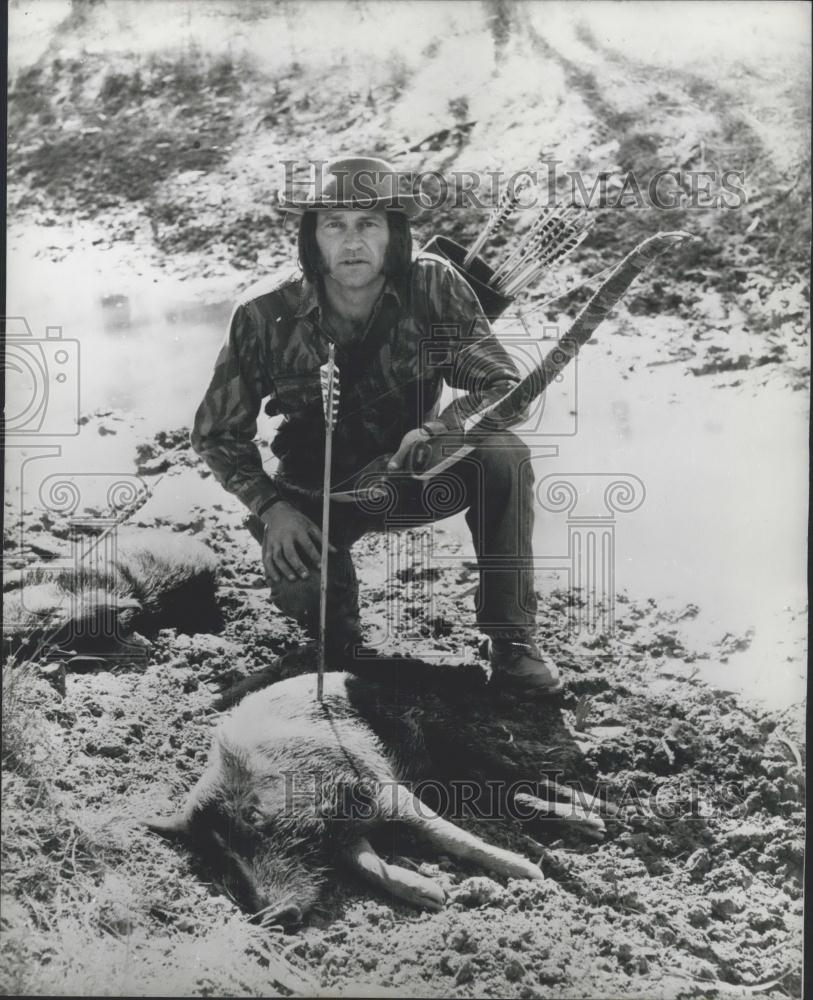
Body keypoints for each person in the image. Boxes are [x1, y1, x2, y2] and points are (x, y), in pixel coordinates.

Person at [191, 156, 562, 692]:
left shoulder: (433, 284)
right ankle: (331, 633)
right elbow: (216, 433)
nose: (351, 242)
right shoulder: (264, 314)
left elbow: (503, 388)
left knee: (504, 453)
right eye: (334, 225)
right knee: (331, 648)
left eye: (369, 223)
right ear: (310, 237)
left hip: (414, 477)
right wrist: (273, 511)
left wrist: (442, 431)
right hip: (315, 501)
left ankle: (512, 639)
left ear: (395, 234)